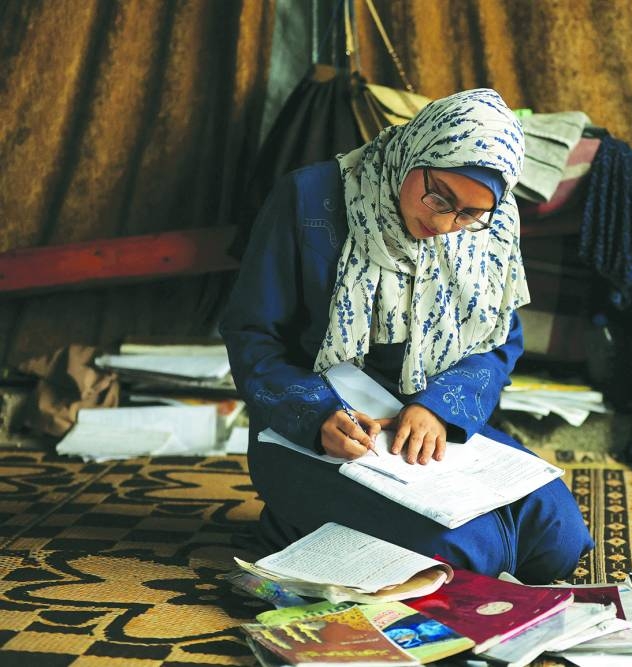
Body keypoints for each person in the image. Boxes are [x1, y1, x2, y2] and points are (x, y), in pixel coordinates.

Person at [220, 88, 594, 583]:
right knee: (466, 554)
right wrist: (316, 415)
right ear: (417, 150)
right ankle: (292, 523)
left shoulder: (494, 225)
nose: (443, 223)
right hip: (324, 429)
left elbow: (499, 339)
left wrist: (437, 408)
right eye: (438, 196)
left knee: (557, 541)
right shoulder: (309, 198)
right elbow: (253, 334)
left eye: (467, 214)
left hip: (428, 429)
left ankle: (336, 529)